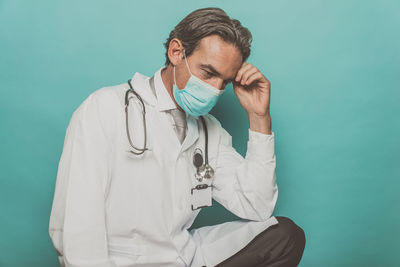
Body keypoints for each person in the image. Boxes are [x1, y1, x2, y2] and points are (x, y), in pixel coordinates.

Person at [49, 7, 305, 267]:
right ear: (176, 52)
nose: (215, 90)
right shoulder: (105, 108)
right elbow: (76, 224)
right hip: (124, 261)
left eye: (225, 82)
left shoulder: (209, 130)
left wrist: (259, 118)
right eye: (208, 73)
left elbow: (257, 206)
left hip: (184, 258)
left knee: (284, 236)